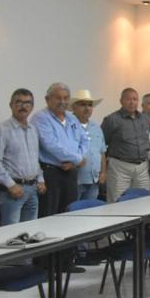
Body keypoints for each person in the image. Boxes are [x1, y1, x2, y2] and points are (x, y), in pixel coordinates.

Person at [0, 88, 46, 225]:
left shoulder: (33, 130)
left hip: (33, 189)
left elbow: (35, 159)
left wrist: (40, 179)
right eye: (18, 102)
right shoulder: (1, 130)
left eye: (27, 103)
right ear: (11, 105)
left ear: (32, 106)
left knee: (30, 230)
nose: (23, 106)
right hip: (12, 191)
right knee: (11, 233)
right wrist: (10, 185)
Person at [32, 82, 88, 217]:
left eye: (66, 98)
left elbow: (85, 140)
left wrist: (76, 161)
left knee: (70, 214)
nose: (63, 101)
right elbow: (50, 145)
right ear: (47, 99)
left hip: (71, 172)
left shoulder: (72, 118)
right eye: (58, 98)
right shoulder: (40, 118)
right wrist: (78, 159)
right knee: (49, 215)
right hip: (51, 174)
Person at [101, 88, 150, 201]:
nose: (132, 102)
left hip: (142, 167)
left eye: (135, 99)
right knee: (117, 202)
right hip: (120, 168)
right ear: (121, 101)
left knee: (144, 201)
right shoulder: (111, 119)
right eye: (128, 99)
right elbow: (102, 144)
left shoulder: (144, 118)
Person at [69, 89, 106, 202]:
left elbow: (102, 152)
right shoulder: (68, 126)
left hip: (94, 181)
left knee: (91, 210)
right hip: (75, 181)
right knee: (72, 210)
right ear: (74, 107)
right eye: (83, 105)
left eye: (90, 105)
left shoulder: (96, 127)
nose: (87, 108)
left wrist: (103, 172)